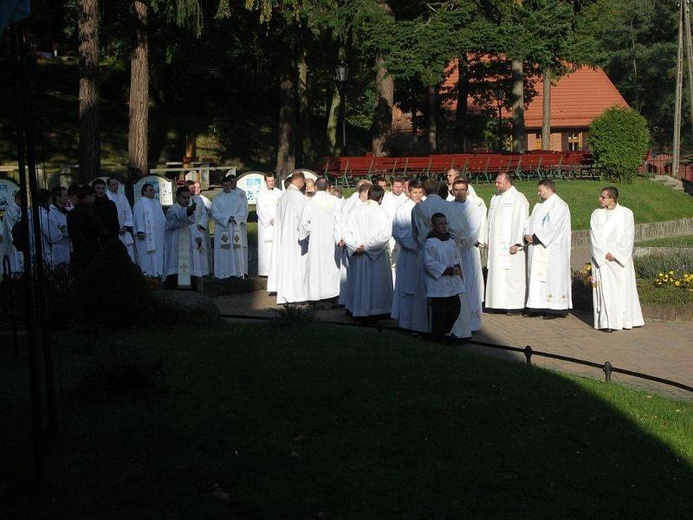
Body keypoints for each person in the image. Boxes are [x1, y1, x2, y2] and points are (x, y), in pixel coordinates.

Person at [589, 187, 644, 332]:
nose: (599, 199)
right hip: (603, 260)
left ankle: (625, 320)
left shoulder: (626, 213)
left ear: (612, 198)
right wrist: (603, 253)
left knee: (622, 291)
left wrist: (617, 254)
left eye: (603, 197)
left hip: (619, 260)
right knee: (606, 291)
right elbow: (594, 236)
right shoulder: (596, 214)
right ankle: (607, 322)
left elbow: (628, 236)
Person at [523, 178, 572, 319]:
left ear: (549, 189)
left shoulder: (559, 205)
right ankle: (537, 305)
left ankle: (555, 307)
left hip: (552, 250)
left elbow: (554, 227)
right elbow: (529, 221)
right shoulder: (539, 205)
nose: (538, 193)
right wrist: (527, 234)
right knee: (537, 278)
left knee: (552, 277)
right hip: (536, 248)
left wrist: (537, 237)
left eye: (540, 190)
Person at [343, 184, 393, 318]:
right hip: (375, 255)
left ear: (369, 195)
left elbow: (346, 232)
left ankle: (357, 309)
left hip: (359, 253)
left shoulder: (355, 211)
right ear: (381, 198)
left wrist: (356, 246)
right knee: (376, 284)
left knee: (358, 283)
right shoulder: (382, 213)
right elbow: (384, 235)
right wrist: (368, 247)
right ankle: (377, 311)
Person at [485, 173, 529, 314]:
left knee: (512, 276)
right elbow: (489, 220)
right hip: (496, 245)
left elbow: (521, 220)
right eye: (496, 182)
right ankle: (497, 303)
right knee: (496, 275)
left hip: (510, 245)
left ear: (508, 182)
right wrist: (487, 239)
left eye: (499, 182)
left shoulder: (518, 198)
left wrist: (516, 242)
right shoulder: (495, 197)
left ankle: (514, 305)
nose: (496, 185)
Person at [391, 179, 430, 333]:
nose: (418, 195)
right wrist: (417, 244)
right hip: (410, 254)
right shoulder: (403, 209)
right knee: (408, 288)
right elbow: (400, 232)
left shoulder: (427, 207)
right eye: (415, 192)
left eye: (421, 192)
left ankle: (422, 322)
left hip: (426, 254)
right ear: (409, 192)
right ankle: (406, 322)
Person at [448, 179, 485, 331]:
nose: (459, 192)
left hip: (467, 251)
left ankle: (472, 322)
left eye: (462, 189)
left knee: (470, 284)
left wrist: (462, 244)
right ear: (452, 191)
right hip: (452, 251)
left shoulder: (473, 207)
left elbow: (474, 229)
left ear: (467, 190)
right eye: (456, 190)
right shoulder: (448, 206)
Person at [423, 213, 467, 342]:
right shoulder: (430, 242)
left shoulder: (450, 241)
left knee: (455, 308)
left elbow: (454, 257)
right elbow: (428, 263)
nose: (443, 227)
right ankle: (438, 336)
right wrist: (447, 270)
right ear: (433, 226)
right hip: (438, 283)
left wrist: (457, 267)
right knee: (439, 312)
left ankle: (444, 332)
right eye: (440, 224)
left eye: (445, 224)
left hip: (451, 282)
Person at [267, 171, 308, 304]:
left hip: (284, 236)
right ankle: (296, 294)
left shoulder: (283, 196)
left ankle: (286, 292)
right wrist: (307, 235)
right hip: (295, 238)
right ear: (300, 181)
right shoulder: (298, 196)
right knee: (296, 266)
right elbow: (303, 219)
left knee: (287, 265)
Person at [298, 177, 341, 302]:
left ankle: (316, 296)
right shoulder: (336, 201)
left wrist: (310, 233)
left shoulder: (310, 202)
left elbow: (304, 224)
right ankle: (333, 295)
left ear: (315, 188)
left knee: (316, 267)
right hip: (332, 238)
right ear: (328, 187)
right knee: (331, 267)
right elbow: (341, 219)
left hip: (316, 241)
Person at [211, 175, 249, 279]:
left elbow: (242, 211)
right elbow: (215, 213)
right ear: (222, 186)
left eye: (229, 185)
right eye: (225, 185)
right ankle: (223, 273)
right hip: (223, 228)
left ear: (231, 185)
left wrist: (235, 218)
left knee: (236, 250)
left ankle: (237, 272)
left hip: (234, 227)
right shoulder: (217, 199)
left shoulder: (237, 198)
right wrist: (227, 218)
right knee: (224, 251)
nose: (227, 187)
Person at [164, 186, 199, 290]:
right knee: (176, 270)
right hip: (176, 248)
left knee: (190, 269)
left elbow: (193, 226)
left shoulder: (190, 210)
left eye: (188, 198)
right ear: (177, 197)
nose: (187, 200)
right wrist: (188, 211)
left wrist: (198, 237)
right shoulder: (172, 209)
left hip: (189, 247)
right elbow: (178, 218)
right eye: (184, 198)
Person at [67, 185, 107, 275]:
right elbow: (101, 231)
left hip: (77, 251)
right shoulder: (91, 213)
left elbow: (71, 233)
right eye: (93, 196)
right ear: (87, 196)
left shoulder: (71, 214)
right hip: (92, 250)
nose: (94, 199)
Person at [132, 183, 166, 277]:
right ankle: (147, 273)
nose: (153, 191)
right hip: (145, 236)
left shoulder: (156, 202)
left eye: (153, 190)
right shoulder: (140, 203)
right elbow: (138, 217)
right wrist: (140, 231)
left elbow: (162, 218)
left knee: (158, 254)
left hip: (158, 235)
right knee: (146, 256)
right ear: (144, 192)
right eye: (151, 190)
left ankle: (159, 272)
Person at [255, 173, 282, 277]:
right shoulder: (260, 194)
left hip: (277, 223)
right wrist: (269, 220)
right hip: (266, 225)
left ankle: (277, 269)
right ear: (265, 181)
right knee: (266, 247)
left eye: (273, 180)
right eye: (269, 181)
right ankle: (265, 270)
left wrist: (277, 219)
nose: (271, 182)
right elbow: (260, 209)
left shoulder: (279, 193)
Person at [412, 178, 450, 248]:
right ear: (438, 188)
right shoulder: (449, 205)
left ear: (423, 190)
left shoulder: (417, 208)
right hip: (446, 246)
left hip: (426, 246)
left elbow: (415, 233)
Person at [106, 176, 136, 262]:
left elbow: (128, 212)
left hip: (124, 229)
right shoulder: (107, 197)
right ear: (108, 186)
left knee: (129, 253)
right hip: (115, 231)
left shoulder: (122, 196)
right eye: (113, 184)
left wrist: (126, 226)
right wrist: (117, 228)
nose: (116, 186)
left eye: (116, 184)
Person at [48, 186, 72, 266]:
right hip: (58, 247)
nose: (67, 198)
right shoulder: (51, 212)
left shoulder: (64, 211)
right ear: (58, 197)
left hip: (67, 246)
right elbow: (55, 230)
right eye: (65, 195)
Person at [91, 178, 120, 245]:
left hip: (110, 239)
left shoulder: (111, 204)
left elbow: (115, 223)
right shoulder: (91, 205)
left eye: (103, 188)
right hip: (96, 240)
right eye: (98, 188)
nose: (101, 191)